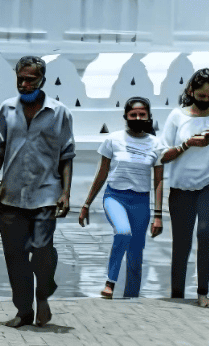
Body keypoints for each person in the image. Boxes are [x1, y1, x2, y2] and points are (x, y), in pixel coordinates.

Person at [0, 55, 75, 328]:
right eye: (20, 78)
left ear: (42, 80)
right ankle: (24, 311)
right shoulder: (7, 109)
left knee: (42, 249)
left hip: (46, 193)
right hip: (12, 194)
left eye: (30, 79)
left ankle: (43, 293)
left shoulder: (59, 112)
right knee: (15, 257)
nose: (23, 83)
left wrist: (66, 193)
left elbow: (67, 156)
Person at [159, 67, 209, 308]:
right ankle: (177, 296)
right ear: (191, 91)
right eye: (201, 96)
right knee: (181, 242)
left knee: (205, 233)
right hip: (181, 187)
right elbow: (163, 156)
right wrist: (188, 144)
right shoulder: (176, 117)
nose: (206, 101)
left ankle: (202, 293)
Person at [79, 97, 163, 298]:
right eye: (133, 114)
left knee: (136, 254)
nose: (137, 117)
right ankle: (110, 282)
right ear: (125, 116)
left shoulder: (157, 144)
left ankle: (131, 298)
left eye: (142, 114)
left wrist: (158, 215)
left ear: (149, 117)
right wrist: (86, 204)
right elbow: (101, 173)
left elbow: (159, 181)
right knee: (123, 232)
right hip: (115, 197)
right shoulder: (113, 140)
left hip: (141, 202)